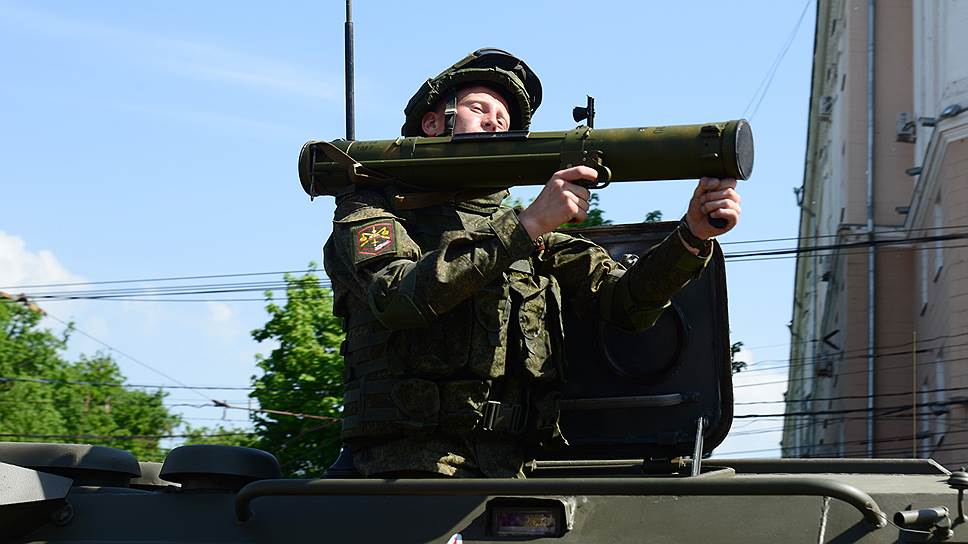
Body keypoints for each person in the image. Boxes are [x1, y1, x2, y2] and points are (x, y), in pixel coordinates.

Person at [322, 49, 741, 478]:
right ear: (432, 123)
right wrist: (527, 225)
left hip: (512, 471)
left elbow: (626, 303)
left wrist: (692, 235)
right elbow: (397, 298)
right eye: (478, 108)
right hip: (404, 470)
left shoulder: (532, 238)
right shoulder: (373, 213)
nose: (493, 122)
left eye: (503, 119)